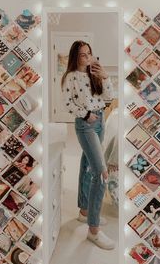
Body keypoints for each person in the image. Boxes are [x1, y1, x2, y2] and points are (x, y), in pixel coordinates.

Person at [61, 40, 114, 250]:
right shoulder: (70, 77)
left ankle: (84, 212)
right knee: (101, 174)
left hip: (100, 121)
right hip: (85, 125)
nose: (87, 58)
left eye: (89, 54)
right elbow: (67, 103)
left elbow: (109, 97)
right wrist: (86, 114)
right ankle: (93, 230)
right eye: (83, 55)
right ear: (76, 57)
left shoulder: (94, 75)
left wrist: (106, 77)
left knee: (86, 165)